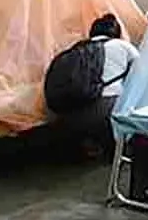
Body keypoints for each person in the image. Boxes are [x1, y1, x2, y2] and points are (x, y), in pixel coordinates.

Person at [59, 13, 140, 160]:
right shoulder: (122, 46)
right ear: (117, 33)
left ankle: (89, 143)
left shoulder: (77, 49)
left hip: (68, 114)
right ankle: (120, 147)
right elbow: (141, 75)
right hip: (105, 111)